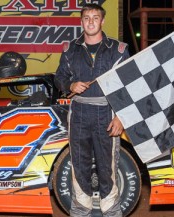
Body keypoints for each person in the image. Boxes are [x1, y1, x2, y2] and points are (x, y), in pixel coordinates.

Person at [54, 3, 130, 217]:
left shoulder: (119, 50)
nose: (90, 22)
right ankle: (80, 212)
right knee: (79, 167)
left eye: (95, 17)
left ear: (102, 21)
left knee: (108, 169)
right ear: (81, 22)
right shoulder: (70, 50)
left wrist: (121, 117)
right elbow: (59, 77)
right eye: (86, 18)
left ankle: (112, 212)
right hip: (78, 113)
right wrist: (70, 86)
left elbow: (128, 86)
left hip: (107, 113)